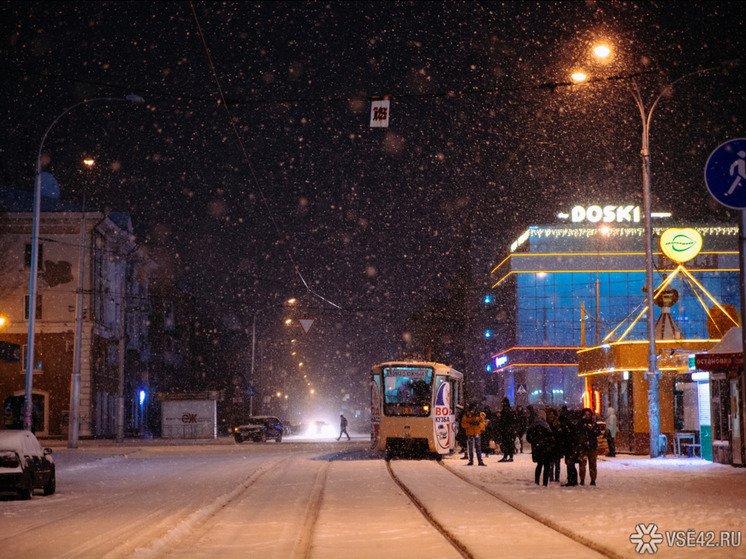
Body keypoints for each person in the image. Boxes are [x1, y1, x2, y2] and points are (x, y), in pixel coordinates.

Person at [526, 409, 555, 486]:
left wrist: (535, 442)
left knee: (539, 465)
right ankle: (545, 482)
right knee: (546, 466)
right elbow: (551, 438)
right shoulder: (546, 426)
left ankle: (537, 480)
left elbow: (528, 438)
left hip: (537, 449)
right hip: (546, 449)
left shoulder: (533, 426)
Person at [557, 406, 581, 486]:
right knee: (571, 464)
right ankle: (573, 480)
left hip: (569, 447)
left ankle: (571, 480)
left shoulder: (565, 426)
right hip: (571, 446)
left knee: (570, 464)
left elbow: (565, 437)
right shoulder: (569, 424)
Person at [578, 408, 602, 486]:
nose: (587, 416)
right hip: (583, 447)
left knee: (592, 464)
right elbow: (578, 433)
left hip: (592, 446)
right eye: (586, 414)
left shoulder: (594, 424)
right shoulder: (580, 424)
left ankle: (593, 479)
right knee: (582, 464)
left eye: (589, 414)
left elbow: (598, 433)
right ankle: (582, 479)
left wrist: (592, 430)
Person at [545, 406, 562, 482]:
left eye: (553, 414)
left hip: (557, 446)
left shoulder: (557, 424)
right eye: (550, 414)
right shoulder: (547, 424)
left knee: (557, 463)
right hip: (551, 446)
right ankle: (551, 477)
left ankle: (557, 478)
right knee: (551, 463)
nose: (552, 416)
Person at [497, 397, 516, 462]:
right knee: (509, 443)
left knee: (507, 443)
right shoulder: (509, 410)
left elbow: (504, 420)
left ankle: (507, 456)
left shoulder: (506, 410)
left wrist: (500, 417)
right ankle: (509, 456)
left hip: (506, 429)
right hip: (509, 429)